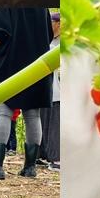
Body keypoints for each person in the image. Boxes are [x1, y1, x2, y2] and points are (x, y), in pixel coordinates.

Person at [0, 8, 52, 179]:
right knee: (33, 114)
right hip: (38, 65)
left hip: (11, 65)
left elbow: (0, 33)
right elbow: (49, 33)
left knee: (4, 111)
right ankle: (30, 168)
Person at [39, 13, 60, 171]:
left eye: (50, 22)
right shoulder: (47, 41)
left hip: (56, 91)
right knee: (43, 125)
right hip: (44, 92)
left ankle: (56, 159)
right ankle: (42, 156)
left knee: (54, 127)